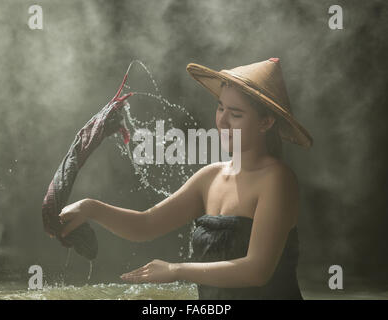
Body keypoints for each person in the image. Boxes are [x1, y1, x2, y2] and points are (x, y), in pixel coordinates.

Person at [58, 58, 313, 300]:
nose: (222, 121)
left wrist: (176, 270)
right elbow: (146, 225)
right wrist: (90, 208)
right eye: (220, 107)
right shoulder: (210, 177)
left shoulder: (277, 180)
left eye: (235, 114)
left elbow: (257, 271)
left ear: (266, 122)